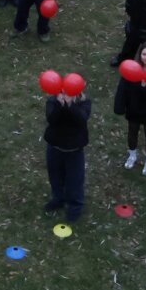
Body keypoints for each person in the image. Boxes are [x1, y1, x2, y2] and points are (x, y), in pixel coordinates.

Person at [113, 41, 146, 175]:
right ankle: (132, 155)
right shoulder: (132, 68)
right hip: (134, 108)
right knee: (132, 132)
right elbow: (122, 88)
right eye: (144, 54)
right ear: (140, 54)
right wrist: (119, 107)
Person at [43, 88, 91, 221]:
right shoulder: (53, 101)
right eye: (62, 92)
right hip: (55, 148)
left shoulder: (84, 103)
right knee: (55, 177)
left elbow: (81, 119)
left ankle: (75, 207)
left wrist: (70, 105)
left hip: (74, 152)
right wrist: (60, 105)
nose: (64, 95)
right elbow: (51, 119)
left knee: (75, 181)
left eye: (67, 92)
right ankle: (58, 199)